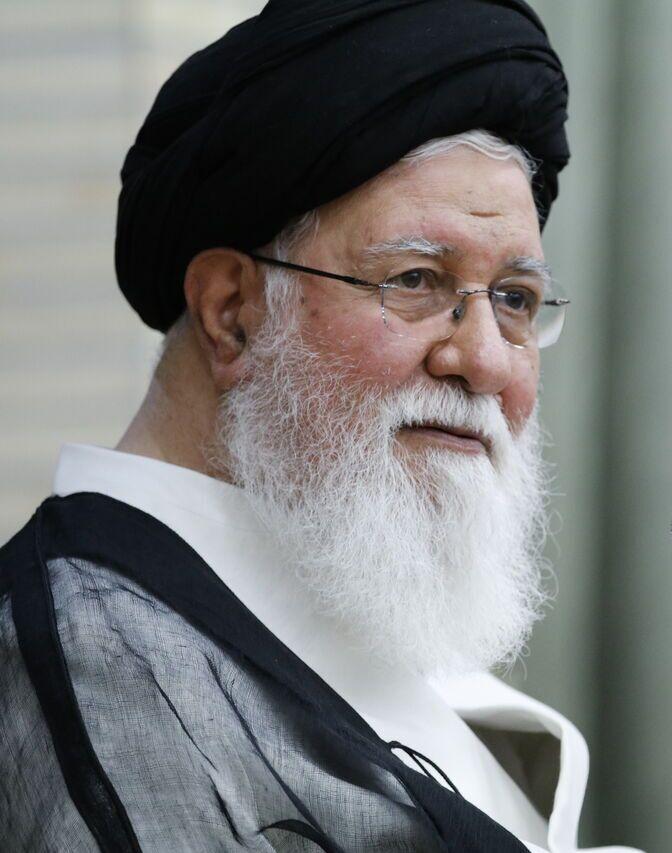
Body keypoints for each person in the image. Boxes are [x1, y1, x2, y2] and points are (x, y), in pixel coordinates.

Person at [0, 2, 637, 851]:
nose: (485, 359)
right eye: (415, 280)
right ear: (232, 312)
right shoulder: (94, 663)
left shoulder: (348, 597)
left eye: (516, 299)